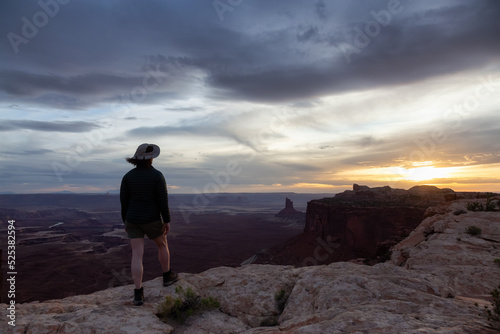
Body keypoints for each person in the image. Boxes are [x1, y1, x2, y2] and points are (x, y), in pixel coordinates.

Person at [120, 143, 178, 306]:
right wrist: (166, 220)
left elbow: (124, 202)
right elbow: (162, 201)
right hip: (151, 219)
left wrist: (125, 220)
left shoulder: (128, 177)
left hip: (132, 219)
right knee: (162, 245)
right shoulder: (157, 175)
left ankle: (138, 293)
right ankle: (167, 276)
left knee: (137, 254)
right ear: (150, 159)